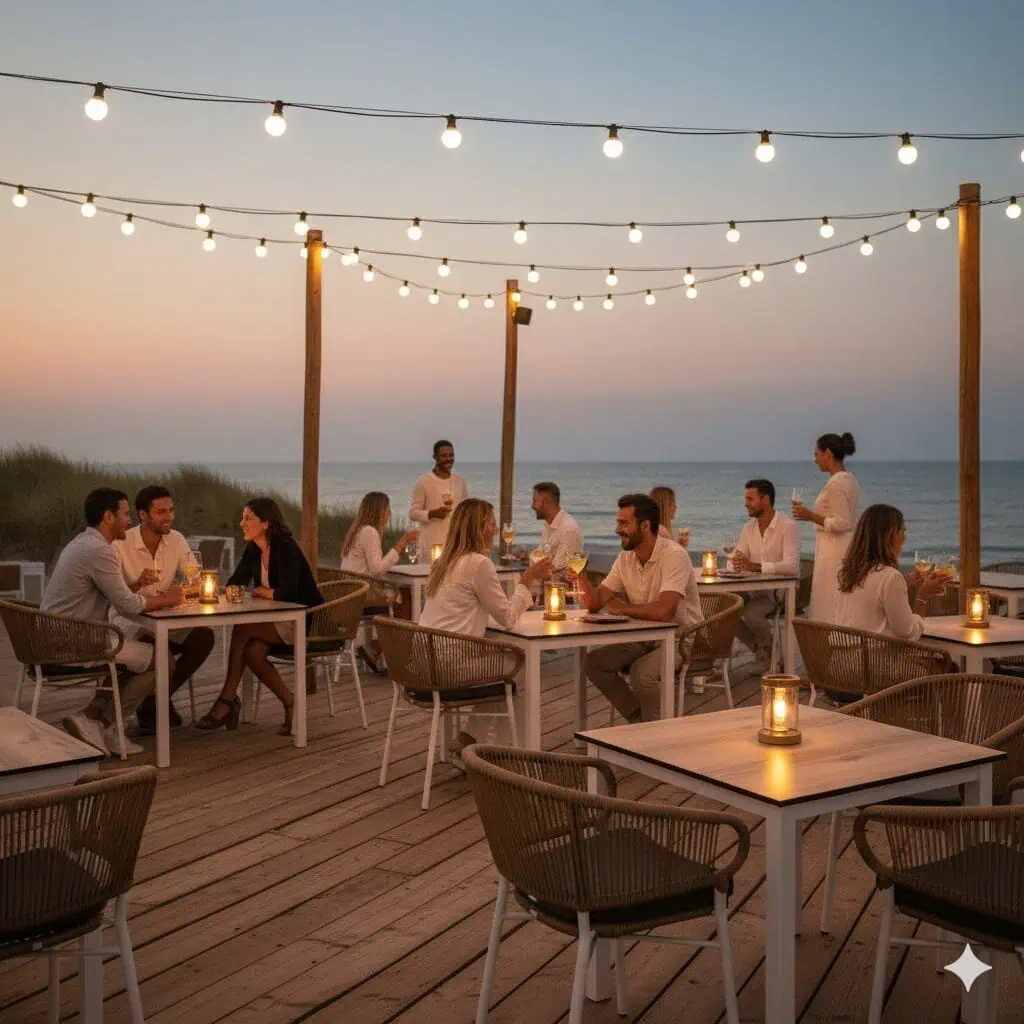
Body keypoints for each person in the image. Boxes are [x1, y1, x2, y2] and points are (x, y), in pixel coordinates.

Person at [41, 487, 184, 756]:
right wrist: (170, 598)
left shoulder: (82, 544)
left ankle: (94, 718)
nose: (129, 521)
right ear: (108, 517)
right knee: (164, 661)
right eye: (125, 514)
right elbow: (129, 605)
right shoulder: (99, 551)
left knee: (139, 650)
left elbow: (115, 593)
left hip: (54, 636)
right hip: (72, 643)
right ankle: (105, 724)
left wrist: (135, 584)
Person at [196, 498, 322, 736]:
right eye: (242, 518)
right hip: (275, 619)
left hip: (302, 618)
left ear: (265, 523)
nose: (241, 523)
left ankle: (227, 699)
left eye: (248, 518)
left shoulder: (286, 547)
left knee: (243, 629)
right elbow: (236, 582)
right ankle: (291, 702)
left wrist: (263, 592)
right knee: (252, 652)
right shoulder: (254, 547)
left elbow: (291, 593)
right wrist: (226, 589)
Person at [577, 494, 702, 723]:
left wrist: (623, 610)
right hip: (643, 636)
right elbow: (595, 603)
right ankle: (639, 721)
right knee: (595, 663)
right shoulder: (626, 559)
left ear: (645, 526)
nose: (617, 529)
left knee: (642, 673)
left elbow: (664, 612)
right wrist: (580, 577)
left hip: (679, 639)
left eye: (624, 523)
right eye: (617, 522)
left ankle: (657, 732)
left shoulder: (674, 556)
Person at [112, 485, 216, 736]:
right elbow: (113, 594)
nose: (168, 516)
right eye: (160, 512)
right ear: (143, 515)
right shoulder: (120, 544)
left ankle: (156, 699)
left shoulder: (177, 540)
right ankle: (149, 704)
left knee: (204, 636)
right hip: (131, 622)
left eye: (170, 510)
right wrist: (138, 584)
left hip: (166, 619)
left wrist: (189, 587)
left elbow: (194, 577)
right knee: (152, 641)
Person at [420, 498, 552, 636]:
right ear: (479, 529)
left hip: (426, 649)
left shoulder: (443, 561)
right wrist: (528, 578)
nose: (496, 531)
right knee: (518, 655)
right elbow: (508, 619)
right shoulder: (478, 563)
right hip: (452, 653)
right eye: (492, 525)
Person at [834, 504, 947, 638]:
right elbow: (907, 632)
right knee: (943, 659)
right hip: (874, 656)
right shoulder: (890, 577)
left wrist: (908, 580)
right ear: (889, 535)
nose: (905, 536)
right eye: (902, 530)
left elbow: (874, 592)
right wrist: (923, 595)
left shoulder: (847, 572)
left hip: (842, 656)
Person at [341, 491, 418, 670]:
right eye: (387, 510)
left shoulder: (359, 531)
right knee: (407, 600)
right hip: (359, 595)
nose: (390, 514)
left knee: (402, 598)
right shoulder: (369, 532)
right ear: (379, 511)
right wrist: (402, 543)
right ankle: (379, 648)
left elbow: (373, 568)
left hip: (349, 591)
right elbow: (377, 568)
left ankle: (380, 647)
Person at [731, 479, 800, 669]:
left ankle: (766, 651)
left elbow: (791, 566)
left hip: (777, 592)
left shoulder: (787, 526)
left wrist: (756, 566)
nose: (746, 503)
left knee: (752, 614)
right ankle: (762, 650)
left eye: (750, 499)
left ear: (766, 499)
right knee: (724, 611)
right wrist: (736, 563)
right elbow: (738, 557)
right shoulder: (748, 528)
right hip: (752, 589)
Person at [792, 432, 860, 622]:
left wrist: (810, 515)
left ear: (827, 453)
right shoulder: (850, 479)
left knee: (829, 599)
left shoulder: (836, 484)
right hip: (844, 546)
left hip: (834, 549)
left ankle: (826, 640)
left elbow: (842, 522)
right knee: (839, 599)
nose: (815, 460)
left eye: (816, 454)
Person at [409, 440, 468, 563]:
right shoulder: (423, 482)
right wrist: (432, 513)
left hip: (455, 545)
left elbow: (466, 510)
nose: (448, 459)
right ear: (435, 457)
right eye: (444, 455)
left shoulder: (460, 481)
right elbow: (413, 514)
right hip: (432, 544)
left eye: (451, 455)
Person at [523, 481, 583, 569]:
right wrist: (529, 556)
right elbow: (540, 555)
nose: (532, 506)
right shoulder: (549, 524)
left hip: (559, 582)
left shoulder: (568, 530)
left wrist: (537, 559)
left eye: (535, 501)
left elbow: (557, 569)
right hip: (545, 580)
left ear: (545, 502)